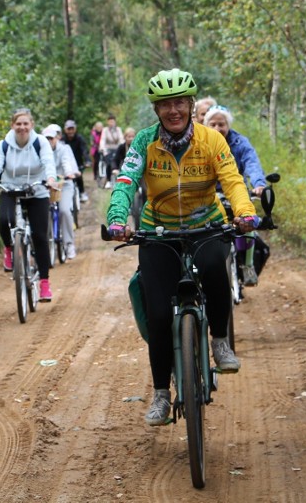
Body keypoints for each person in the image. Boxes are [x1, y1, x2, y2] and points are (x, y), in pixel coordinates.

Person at [106, 68, 260, 426]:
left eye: (180, 103)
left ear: (192, 105)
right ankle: (161, 393)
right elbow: (126, 181)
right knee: (158, 315)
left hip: (205, 224)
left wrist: (244, 211)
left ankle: (220, 341)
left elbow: (233, 181)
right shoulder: (144, 142)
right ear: (156, 110)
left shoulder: (211, 140)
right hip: (157, 232)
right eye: (165, 105)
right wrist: (118, 219)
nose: (173, 110)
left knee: (215, 268)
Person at [0, 108, 58, 302]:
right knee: (5, 221)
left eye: (25, 124)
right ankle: (9, 249)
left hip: (37, 190)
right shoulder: (4, 145)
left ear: (31, 125)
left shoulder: (40, 143)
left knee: (39, 236)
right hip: (9, 189)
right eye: (18, 124)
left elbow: (48, 162)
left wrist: (51, 178)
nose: (22, 127)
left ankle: (44, 283)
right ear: (13, 126)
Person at [203, 105, 268, 286]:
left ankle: (247, 265)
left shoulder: (240, 143)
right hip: (207, 195)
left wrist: (259, 185)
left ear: (228, 125)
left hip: (235, 193)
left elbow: (251, 163)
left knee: (247, 222)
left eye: (221, 124)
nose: (217, 129)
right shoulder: (198, 143)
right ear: (205, 125)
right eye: (213, 124)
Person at [43, 124, 80, 259]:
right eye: (45, 138)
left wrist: (69, 173)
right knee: (42, 213)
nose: (48, 141)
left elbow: (66, 163)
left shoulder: (64, 149)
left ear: (56, 139)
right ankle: (44, 246)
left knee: (64, 211)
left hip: (64, 184)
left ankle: (69, 244)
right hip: (46, 187)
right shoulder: (39, 150)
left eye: (51, 138)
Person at [62, 119, 88, 202]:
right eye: (69, 129)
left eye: (72, 129)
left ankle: (82, 192)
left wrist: (88, 161)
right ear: (65, 130)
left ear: (75, 129)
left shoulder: (79, 138)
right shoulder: (62, 140)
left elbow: (84, 150)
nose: (70, 131)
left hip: (78, 162)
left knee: (79, 177)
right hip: (65, 163)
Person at [98, 114, 123, 188]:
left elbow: (121, 139)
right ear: (108, 122)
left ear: (115, 122)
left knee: (119, 161)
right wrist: (103, 149)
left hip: (117, 149)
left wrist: (122, 147)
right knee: (109, 163)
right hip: (107, 150)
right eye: (110, 121)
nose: (111, 123)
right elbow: (102, 140)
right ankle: (108, 180)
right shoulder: (105, 130)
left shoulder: (118, 129)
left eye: (113, 121)